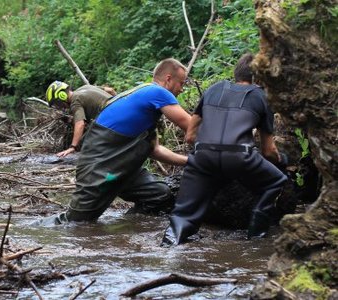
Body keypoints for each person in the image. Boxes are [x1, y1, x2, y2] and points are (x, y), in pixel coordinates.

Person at [39, 58, 191, 224]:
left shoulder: (144, 105)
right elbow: (193, 128)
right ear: (168, 79)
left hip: (123, 170)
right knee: (75, 222)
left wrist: (190, 162)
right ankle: (37, 229)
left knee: (159, 194)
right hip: (99, 169)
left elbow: (155, 150)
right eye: (181, 83)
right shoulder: (156, 93)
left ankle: (127, 228)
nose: (182, 89)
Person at [161, 53, 288, 246]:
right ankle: (256, 238)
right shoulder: (261, 96)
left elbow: (189, 136)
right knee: (276, 181)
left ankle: (168, 247)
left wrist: (211, 156)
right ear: (259, 78)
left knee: (182, 215)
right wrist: (282, 160)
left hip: (203, 155)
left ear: (236, 73)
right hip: (240, 158)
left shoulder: (214, 89)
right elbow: (268, 151)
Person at [45, 81, 115, 157]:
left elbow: (80, 124)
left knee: (86, 143)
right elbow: (110, 90)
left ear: (62, 96)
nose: (61, 107)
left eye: (57, 104)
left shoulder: (75, 102)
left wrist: (72, 147)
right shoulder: (84, 88)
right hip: (117, 108)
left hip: (112, 120)